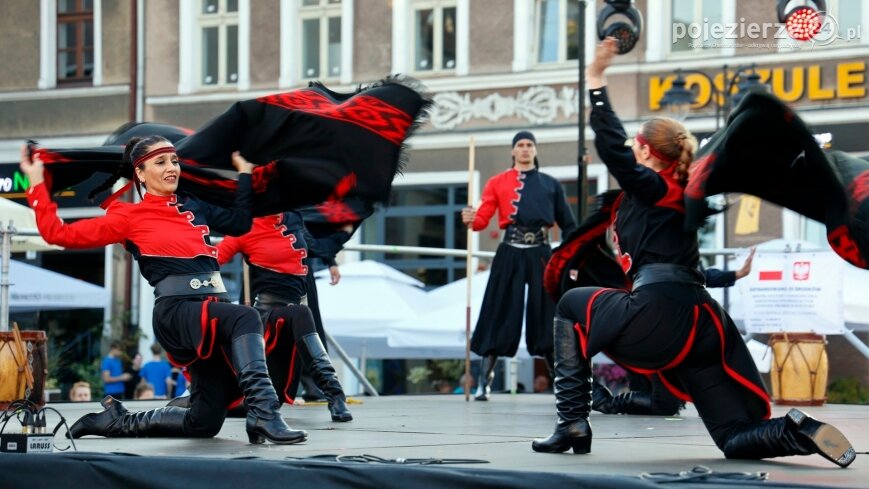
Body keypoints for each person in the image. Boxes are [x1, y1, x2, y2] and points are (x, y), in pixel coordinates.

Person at [531, 38, 856, 469]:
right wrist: (732, 276)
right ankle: (796, 431)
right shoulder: (677, 195)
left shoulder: (657, 188)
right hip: (699, 326)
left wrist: (595, 81)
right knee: (732, 436)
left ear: (647, 151)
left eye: (634, 145)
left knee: (571, 306)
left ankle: (572, 421)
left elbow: (611, 150)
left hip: (661, 317)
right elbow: (687, 270)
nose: (628, 150)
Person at [21, 137, 306, 445]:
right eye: (161, 162)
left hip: (209, 313)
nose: (171, 168)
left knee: (205, 422)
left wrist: (246, 174)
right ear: (140, 173)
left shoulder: (192, 205)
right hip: (177, 312)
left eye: (174, 161)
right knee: (246, 317)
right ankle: (264, 412)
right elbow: (57, 233)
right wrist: (36, 184)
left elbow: (239, 223)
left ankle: (114, 421)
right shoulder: (126, 217)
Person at [462, 130, 576, 401]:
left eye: (529, 145)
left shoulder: (551, 184)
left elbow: (570, 225)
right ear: (513, 151)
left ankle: (561, 382)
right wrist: (470, 217)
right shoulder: (497, 182)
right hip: (509, 251)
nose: (525, 149)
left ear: (535, 150)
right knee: (498, 310)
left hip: (541, 252)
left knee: (548, 313)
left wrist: (571, 259)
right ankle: (484, 380)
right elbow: (480, 222)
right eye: (520, 145)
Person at [213, 212, 352, 421]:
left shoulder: (293, 218)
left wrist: (333, 255)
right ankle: (335, 393)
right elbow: (210, 264)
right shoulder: (245, 226)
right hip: (265, 323)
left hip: (291, 323)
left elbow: (314, 246)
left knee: (273, 401)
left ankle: (333, 394)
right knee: (301, 313)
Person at [592, 248, 757, 416]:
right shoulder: (635, 252)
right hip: (643, 328)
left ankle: (605, 399)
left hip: (664, 327)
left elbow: (693, 276)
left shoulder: (669, 254)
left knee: (665, 404)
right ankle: (603, 400)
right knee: (663, 403)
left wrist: (737, 274)